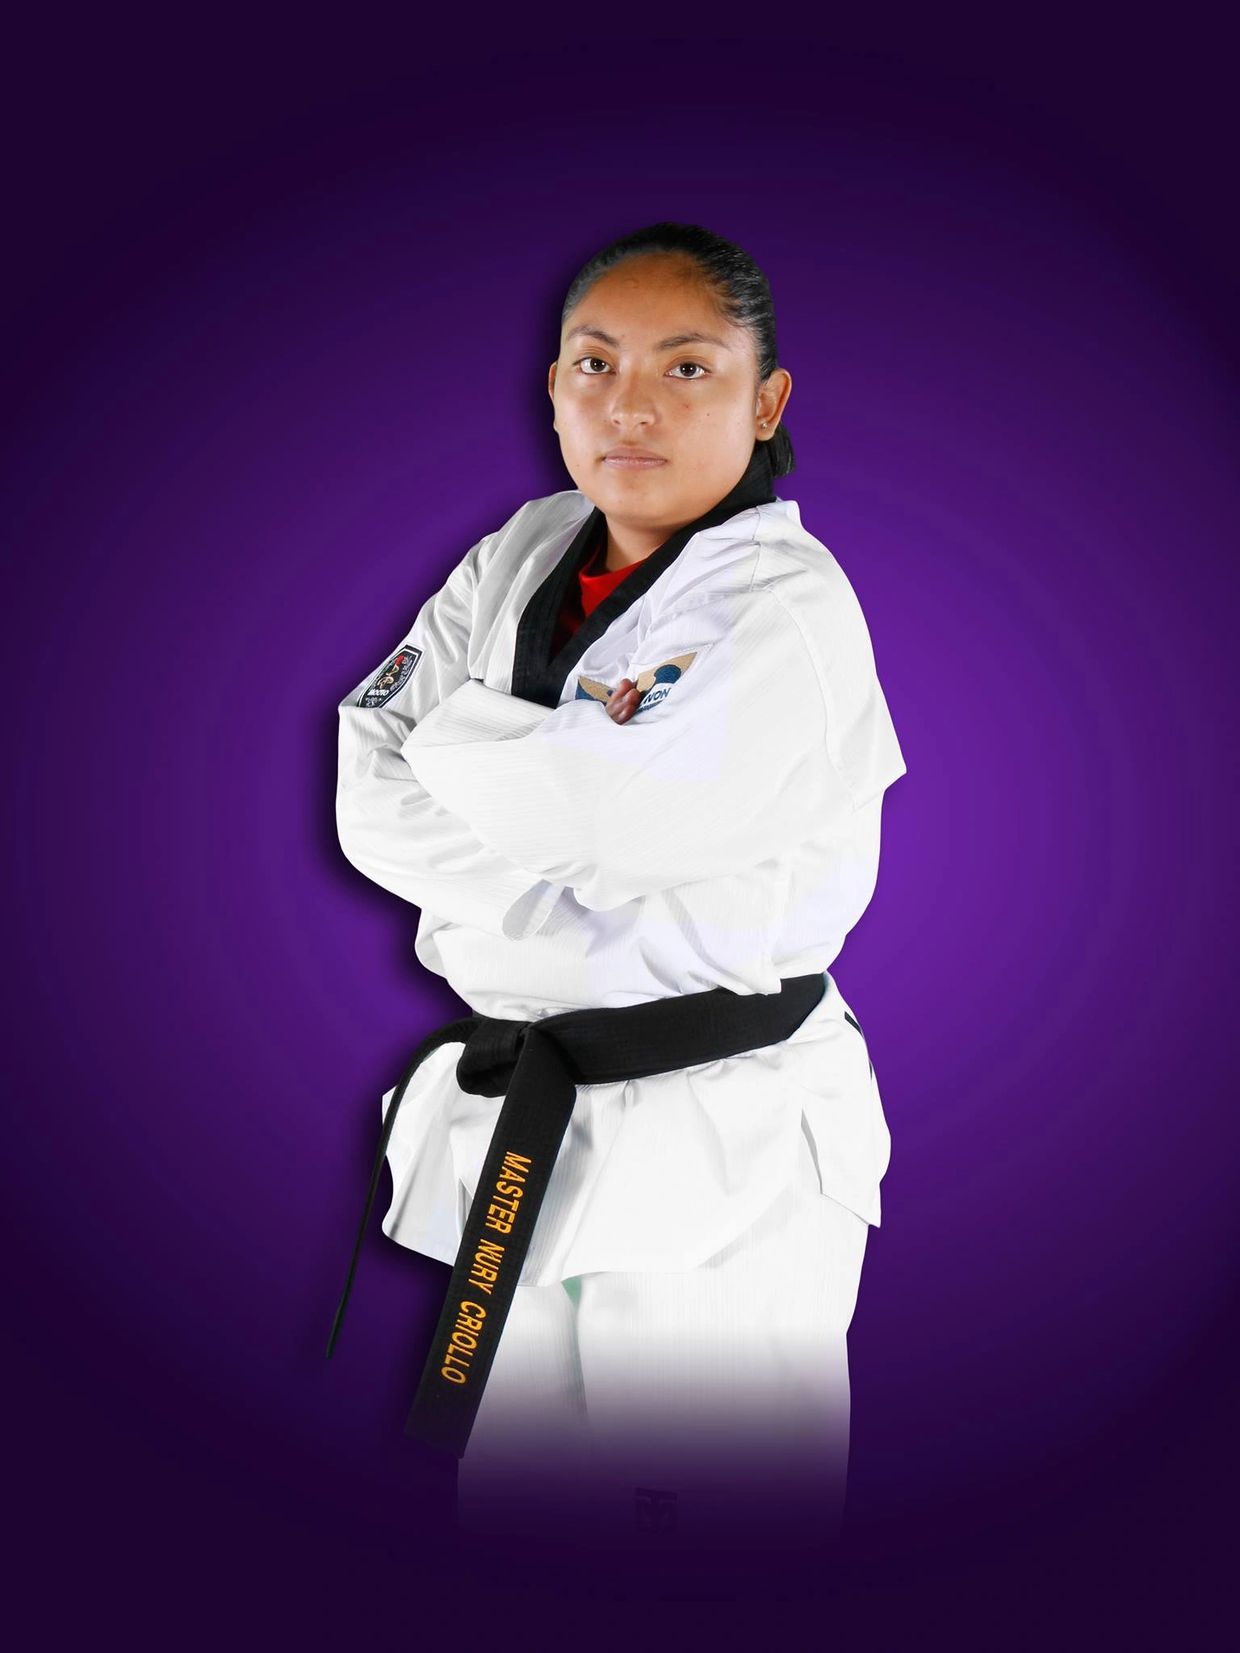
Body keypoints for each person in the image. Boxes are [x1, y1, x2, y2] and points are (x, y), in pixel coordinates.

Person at [330, 221, 907, 1551]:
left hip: (724, 1137)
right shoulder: (524, 546)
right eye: (595, 364)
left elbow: (616, 822)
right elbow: (368, 787)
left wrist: (467, 750)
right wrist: (557, 815)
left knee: (704, 1546)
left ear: (766, 401)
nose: (630, 403)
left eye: (687, 367)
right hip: (532, 1121)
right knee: (521, 1527)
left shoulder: (789, 604)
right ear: (553, 388)